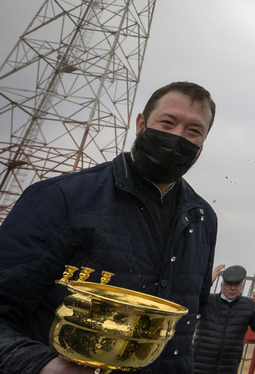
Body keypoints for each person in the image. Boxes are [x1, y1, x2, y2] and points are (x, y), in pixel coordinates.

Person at [0, 81, 218, 373]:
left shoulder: (202, 218)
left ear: (203, 142)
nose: (178, 136)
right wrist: (42, 364)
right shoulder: (63, 198)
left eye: (194, 131)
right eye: (168, 122)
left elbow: (184, 327)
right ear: (141, 123)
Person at [192, 264, 255, 374]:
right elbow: (192, 304)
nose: (232, 288)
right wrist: (208, 283)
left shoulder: (249, 305)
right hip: (199, 364)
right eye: (228, 285)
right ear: (221, 285)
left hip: (229, 366)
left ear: (242, 286)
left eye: (236, 285)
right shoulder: (208, 300)